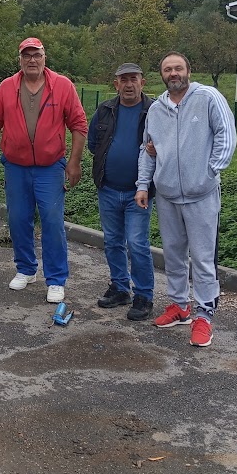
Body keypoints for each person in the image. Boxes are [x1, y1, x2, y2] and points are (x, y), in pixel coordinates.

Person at [136, 52, 237, 347]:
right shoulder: (156, 109)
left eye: (178, 68)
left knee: (203, 259)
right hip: (167, 195)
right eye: (167, 69)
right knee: (174, 255)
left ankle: (204, 315)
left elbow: (226, 135)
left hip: (201, 195)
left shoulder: (207, 97)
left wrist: (210, 171)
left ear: (188, 71)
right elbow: (148, 149)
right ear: (162, 75)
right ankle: (180, 306)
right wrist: (143, 185)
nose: (173, 73)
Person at [0, 37, 88, 302]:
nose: (32, 60)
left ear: (44, 58)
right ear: (20, 60)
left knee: (51, 220)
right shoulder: (7, 87)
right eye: (26, 56)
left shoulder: (62, 86)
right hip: (15, 166)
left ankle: (56, 279)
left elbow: (79, 124)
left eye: (36, 55)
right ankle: (26, 269)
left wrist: (74, 162)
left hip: (50, 167)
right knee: (17, 220)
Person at [87, 63, 155, 321]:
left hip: (139, 192)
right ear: (116, 84)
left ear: (142, 82)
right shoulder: (105, 110)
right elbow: (94, 143)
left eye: (133, 79)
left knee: (137, 243)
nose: (128, 84)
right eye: (123, 80)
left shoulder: (153, 111)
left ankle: (144, 296)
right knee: (113, 241)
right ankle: (120, 288)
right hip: (108, 188)